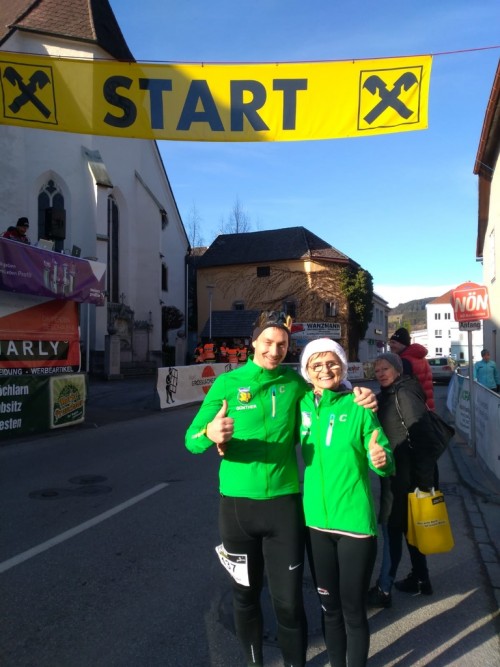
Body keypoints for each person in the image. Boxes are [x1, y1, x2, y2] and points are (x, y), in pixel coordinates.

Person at [185, 311, 377, 667]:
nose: (274, 351)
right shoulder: (227, 384)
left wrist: (360, 393)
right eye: (268, 342)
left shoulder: (294, 384)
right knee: (245, 597)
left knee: (288, 603)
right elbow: (191, 440)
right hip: (237, 510)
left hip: (284, 508)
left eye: (282, 345)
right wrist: (209, 434)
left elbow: (329, 392)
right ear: (254, 342)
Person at [298, 338, 394, 667]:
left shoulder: (359, 406)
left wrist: (381, 459)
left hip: (354, 526)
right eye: (316, 365)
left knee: (353, 611)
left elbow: (385, 456)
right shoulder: (302, 405)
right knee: (329, 609)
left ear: (342, 366)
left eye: (332, 363)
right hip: (316, 525)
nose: (325, 370)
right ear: (307, 371)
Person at [368, 352, 443, 609]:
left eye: (385, 368)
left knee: (392, 528)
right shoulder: (388, 395)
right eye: (377, 369)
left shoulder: (404, 394)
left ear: (398, 370)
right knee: (412, 529)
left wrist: (424, 484)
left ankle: (383, 589)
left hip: (406, 478)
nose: (380, 373)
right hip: (399, 475)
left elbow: (424, 440)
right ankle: (421, 579)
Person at [388, 327, 435, 410]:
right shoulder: (421, 358)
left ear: (403, 344)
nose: (391, 345)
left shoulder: (404, 361)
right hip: (426, 405)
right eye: (390, 343)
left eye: (394, 342)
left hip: (413, 407)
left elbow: (402, 388)